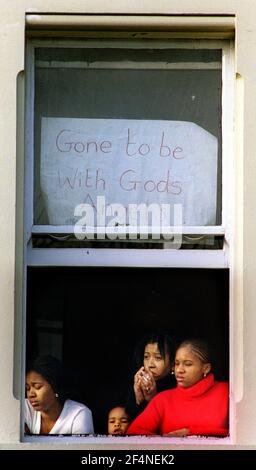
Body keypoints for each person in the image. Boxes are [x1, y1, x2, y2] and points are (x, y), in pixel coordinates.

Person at [126, 338, 229, 437]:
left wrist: (191, 433)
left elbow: (243, 432)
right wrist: (167, 442)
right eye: (176, 364)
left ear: (206, 368)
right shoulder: (163, 399)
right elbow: (133, 433)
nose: (179, 370)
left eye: (187, 364)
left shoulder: (226, 392)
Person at [25, 355, 94, 434]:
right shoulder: (24, 408)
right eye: (27, 388)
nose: (31, 394)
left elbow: (81, 446)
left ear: (55, 386)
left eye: (37, 387)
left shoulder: (78, 413)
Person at [125, 332, 176, 421]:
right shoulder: (138, 385)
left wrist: (152, 400)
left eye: (158, 357)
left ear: (173, 364)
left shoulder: (177, 387)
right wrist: (139, 399)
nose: (150, 364)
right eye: (146, 357)